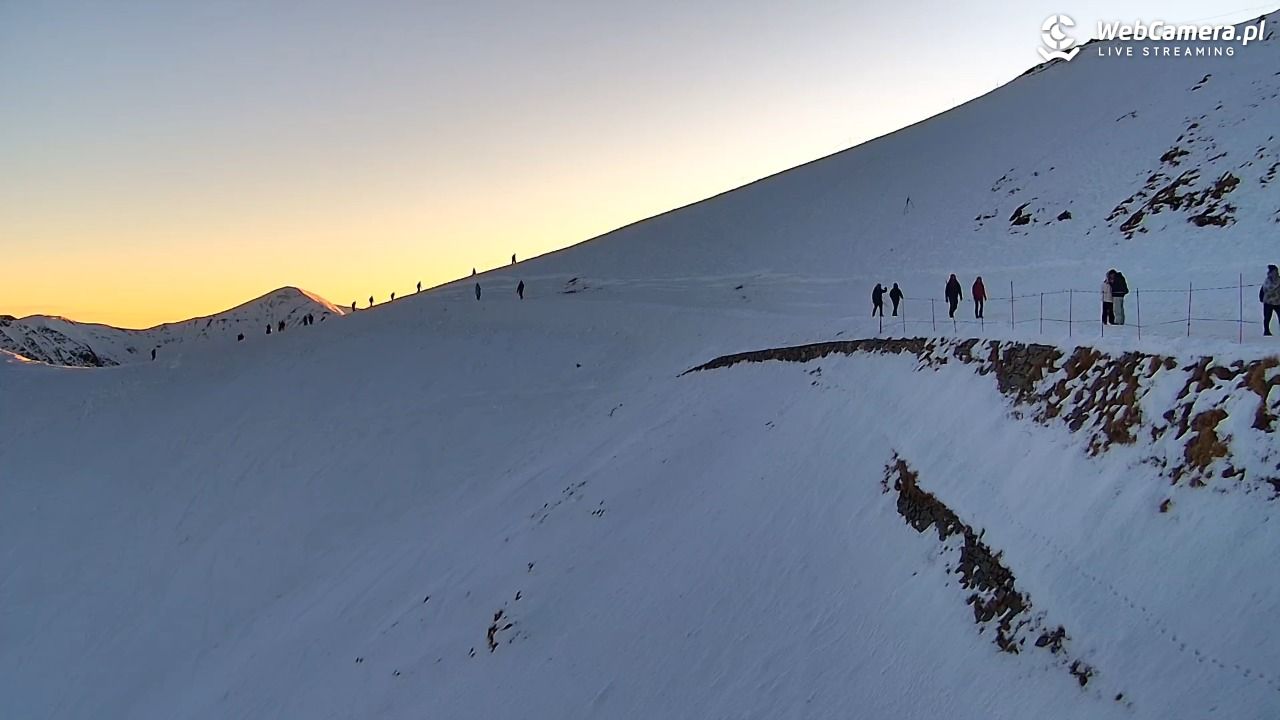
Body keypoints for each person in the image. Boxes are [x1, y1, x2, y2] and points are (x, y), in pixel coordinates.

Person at [1262, 264, 1280, 336]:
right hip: (1268, 302)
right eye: (1273, 271)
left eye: (1276, 271)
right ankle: (1266, 331)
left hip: (1278, 302)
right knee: (1267, 317)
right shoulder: (1267, 281)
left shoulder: (1279, 280)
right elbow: (1265, 289)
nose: (1275, 273)